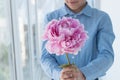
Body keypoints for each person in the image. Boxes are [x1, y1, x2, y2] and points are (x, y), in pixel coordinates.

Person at [40, 0, 115, 80]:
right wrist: (59, 74)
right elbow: (46, 56)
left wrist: (84, 74)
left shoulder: (101, 18)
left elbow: (106, 55)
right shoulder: (50, 18)